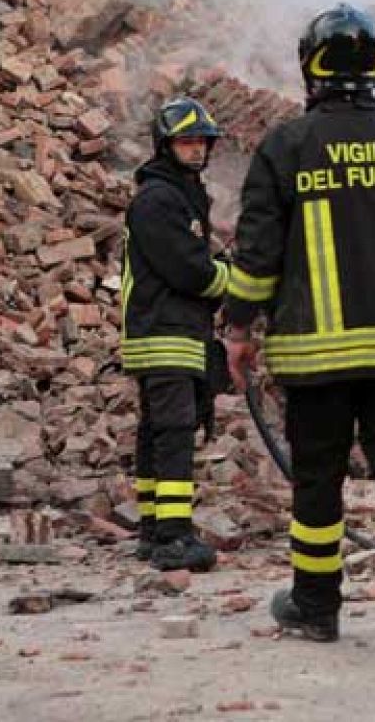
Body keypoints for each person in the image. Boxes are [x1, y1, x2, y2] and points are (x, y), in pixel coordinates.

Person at [223, 3, 375, 656]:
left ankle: (316, 605)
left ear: (311, 68)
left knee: (318, 480)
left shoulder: (285, 147)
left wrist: (239, 329)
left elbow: (256, 256)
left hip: (314, 359)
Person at [120, 96, 229, 572]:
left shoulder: (178, 195)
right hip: (166, 331)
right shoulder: (159, 200)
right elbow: (188, 270)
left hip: (170, 330)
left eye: (202, 141)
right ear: (166, 145)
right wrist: (234, 280)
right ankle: (173, 537)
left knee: (157, 430)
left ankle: (153, 529)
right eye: (187, 141)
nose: (197, 150)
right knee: (175, 431)